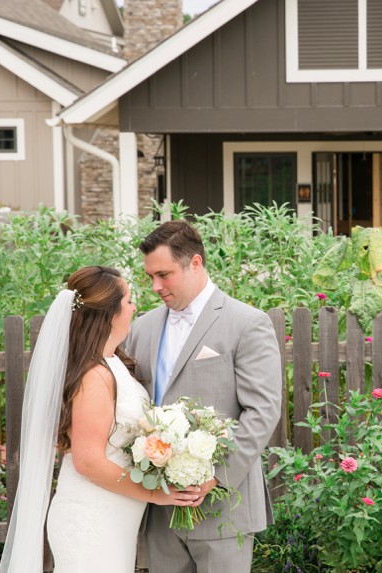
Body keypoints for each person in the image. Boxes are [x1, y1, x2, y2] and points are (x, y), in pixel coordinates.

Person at [0, 266, 202, 573]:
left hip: (113, 516)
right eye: (130, 300)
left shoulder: (112, 363)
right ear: (110, 314)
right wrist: (156, 494)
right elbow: (88, 461)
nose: (135, 307)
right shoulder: (94, 376)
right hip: (91, 519)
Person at [126, 220, 282, 573]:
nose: (155, 286)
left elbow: (262, 411)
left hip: (224, 509)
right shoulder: (143, 327)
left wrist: (216, 477)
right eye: (150, 276)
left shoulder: (247, 323)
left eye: (164, 275)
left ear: (195, 263)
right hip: (160, 512)